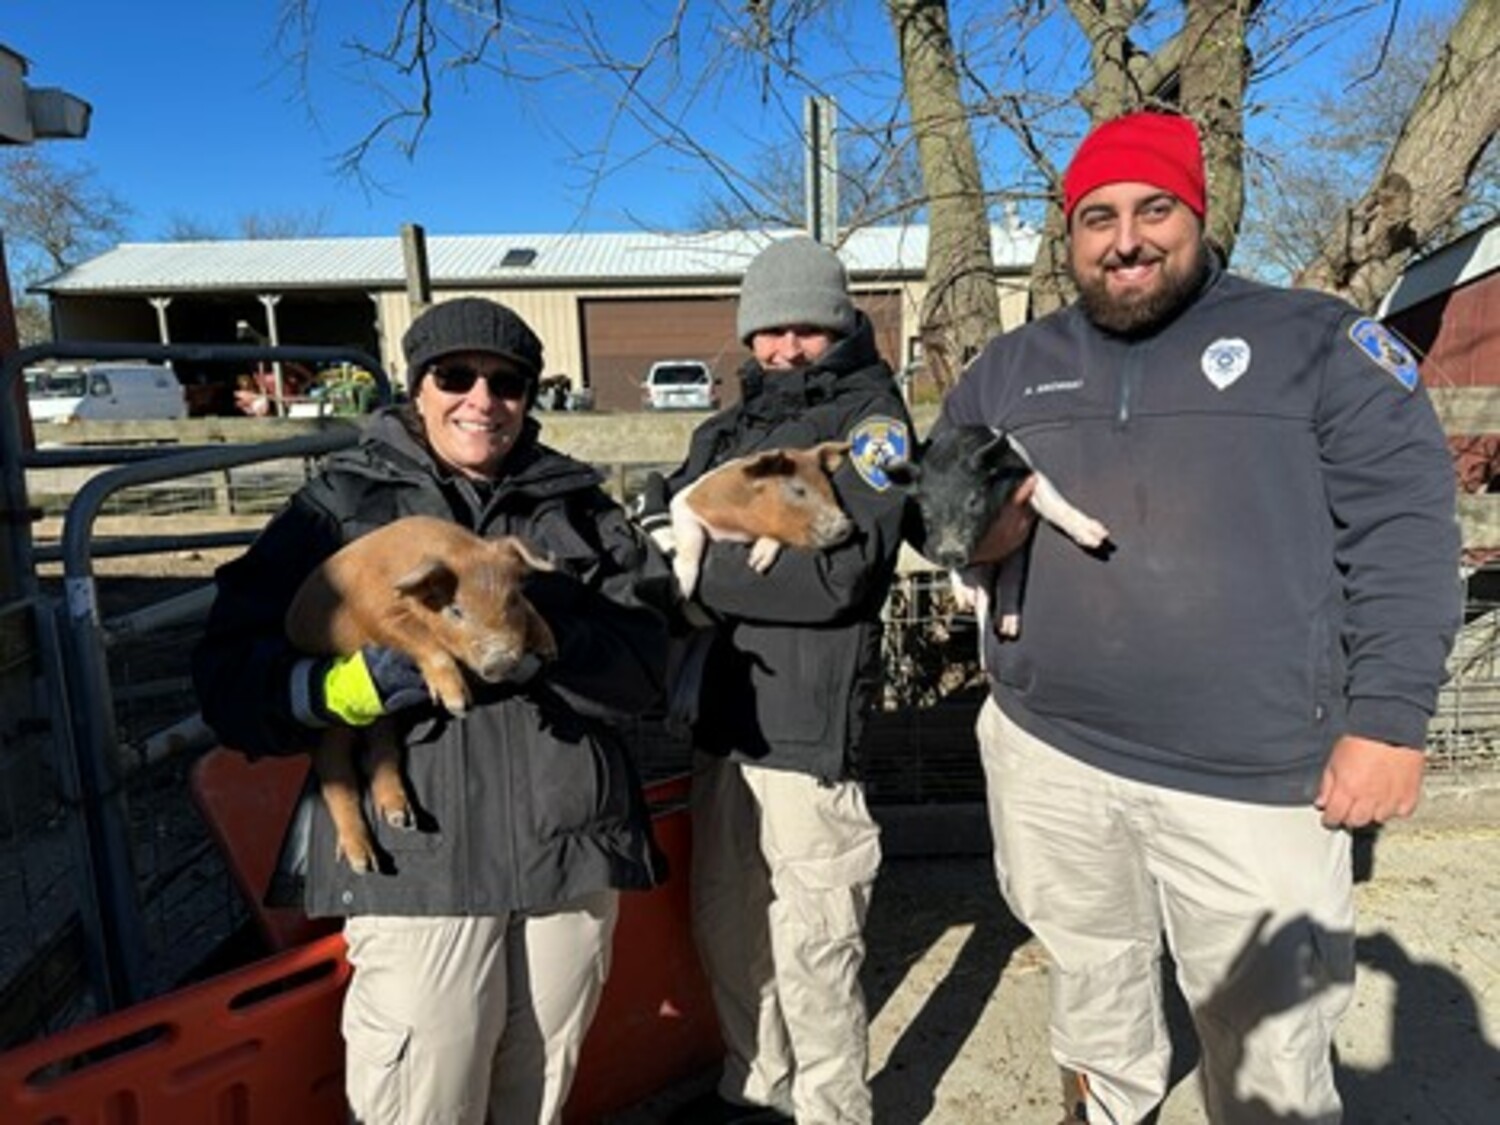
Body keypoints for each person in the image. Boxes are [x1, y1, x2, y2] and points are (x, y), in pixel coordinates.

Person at [920, 110, 1461, 1124]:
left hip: (1252, 776)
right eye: (1098, 218)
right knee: (1093, 993)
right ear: (1068, 237)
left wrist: (1388, 720)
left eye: (1153, 209)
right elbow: (941, 514)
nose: (1125, 238)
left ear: (1198, 216)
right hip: (1052, 754)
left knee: (1265, 1041)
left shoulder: (1317, 344)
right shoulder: (1008, 367)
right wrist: (962, 530)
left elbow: (1406, 531)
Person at [192, 297, 671, 1125]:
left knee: (539, 1092)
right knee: (426, 1098)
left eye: (509, 383)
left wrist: (541, 647)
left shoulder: (578, 510)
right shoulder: (335, 510)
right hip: (420, 868)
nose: (482, 400)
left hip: (568, 855)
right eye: (455, 376)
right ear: (417, 388)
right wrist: (329, 689)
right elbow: (226, 674)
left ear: (529, 397)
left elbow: (649, 665)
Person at [641, 237, 914, 1125]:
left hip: (805, 725)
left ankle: (833, 1108)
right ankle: (754, 1087)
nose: (785, 347)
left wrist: (696, 580)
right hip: (724, 716)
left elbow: (837, 578)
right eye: (769, 330)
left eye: (806, 327)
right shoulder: (726, 427)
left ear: (837, 324)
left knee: (814, 937)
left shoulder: (870, 427)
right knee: (729, 920)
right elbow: (661, 522)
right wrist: (673, 551)